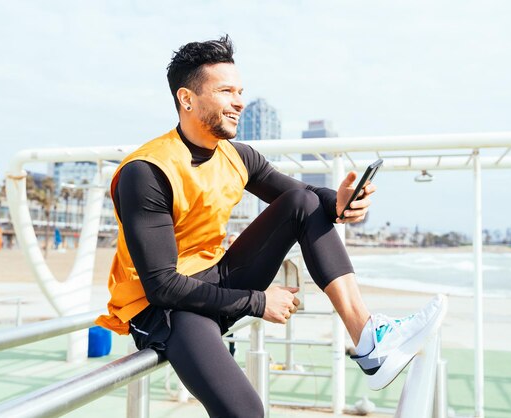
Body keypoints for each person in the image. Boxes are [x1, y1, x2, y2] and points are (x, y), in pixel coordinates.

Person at [96, 35, 447, 418]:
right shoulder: (146, 171)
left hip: (216, 279)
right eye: (226, 91)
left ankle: (367, 338)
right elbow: (162, 285)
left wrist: (342, 203)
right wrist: (259, 302)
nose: (239, 102)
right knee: (247, 412)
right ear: (187, 99)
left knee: (303, 203)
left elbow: (305, 196)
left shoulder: (236, 155)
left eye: (241, 91)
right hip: (162, 308)